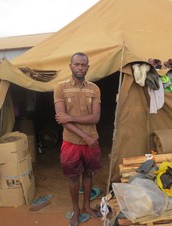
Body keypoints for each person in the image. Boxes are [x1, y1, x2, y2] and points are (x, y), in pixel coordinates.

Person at [54, 52, 102, 225]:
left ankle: (86, 206)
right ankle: (76, 210)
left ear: (87, 67)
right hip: (71, 142)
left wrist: (70, 117)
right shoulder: (60, 87)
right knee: (73, 177)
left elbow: (95, 118)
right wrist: (84, 136)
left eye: (83, 65)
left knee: (89, 174)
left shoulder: (94, 89)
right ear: (71, 66)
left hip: (92, 140)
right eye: (77, 64)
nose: (80, 68)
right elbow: (61, 120)